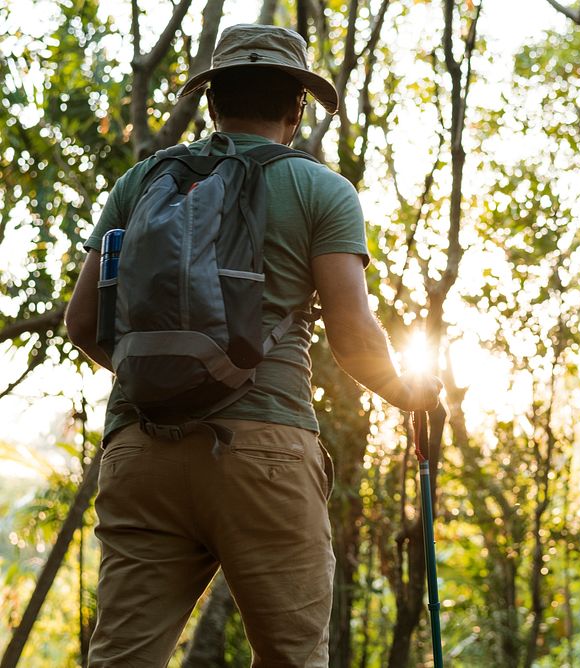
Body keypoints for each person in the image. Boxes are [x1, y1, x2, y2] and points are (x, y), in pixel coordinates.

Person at [64, 24, 440, 667]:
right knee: (293, 658)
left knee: (121, 658)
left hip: (142, 448)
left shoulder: (142, 182)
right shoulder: (321, 190)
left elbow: (82, 322)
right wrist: (414, 396)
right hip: (266, 451)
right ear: (298, 106)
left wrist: (167, 377)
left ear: (212, 102)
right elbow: (353, 339)